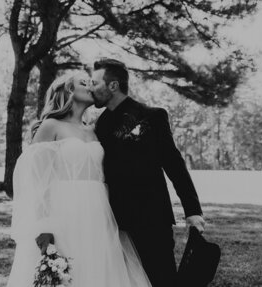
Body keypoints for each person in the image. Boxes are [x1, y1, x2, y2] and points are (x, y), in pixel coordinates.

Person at [6, 72, 152, 287]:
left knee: (98, 269)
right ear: (69, 91)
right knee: (66, 270)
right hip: (64, 211)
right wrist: (44, 224)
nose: (91, 86)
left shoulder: (94, 129)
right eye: (84, 83)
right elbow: (38, 180)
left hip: (98, 211)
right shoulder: (51, 126)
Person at [91, 58, 205, 287]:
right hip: (116, 222)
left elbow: (175, 164)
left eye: (95, 83)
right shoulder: (99, 125)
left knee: (161, 279)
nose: (91, 89)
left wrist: (192, 210)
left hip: (152, 218)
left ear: (113, 85)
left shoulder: (152, 116)